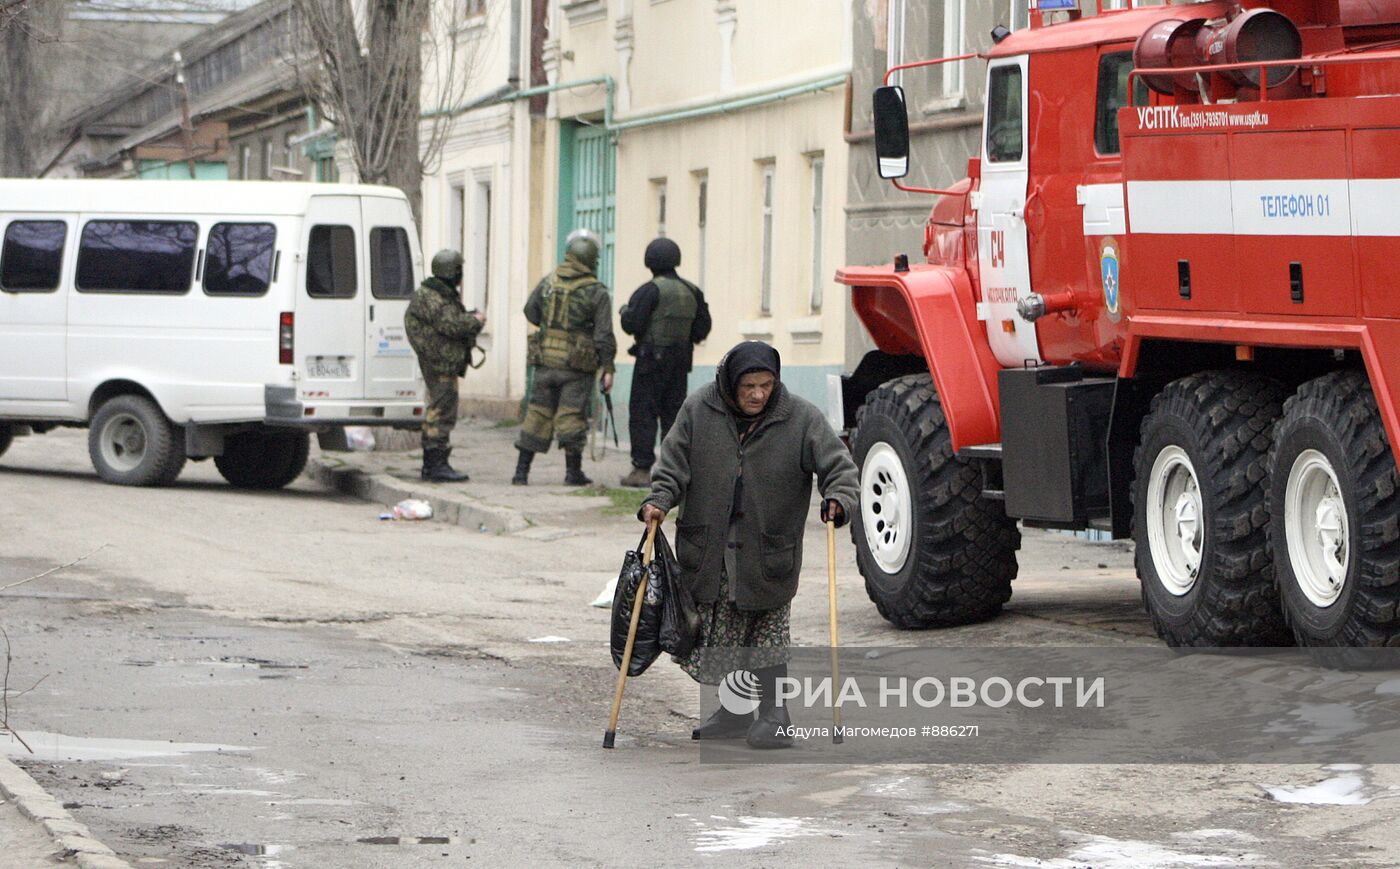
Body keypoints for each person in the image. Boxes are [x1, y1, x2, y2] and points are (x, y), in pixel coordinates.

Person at [639, 341, 858, 749]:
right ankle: (736, 711)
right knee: (724, 634)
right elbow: (671, 464)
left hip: (768, 551)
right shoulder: (699, 410)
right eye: (749, 386)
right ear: (729, 383)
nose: (759, 394)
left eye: (767, 384)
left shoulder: (801, 418)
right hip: (711, 550)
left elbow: (839, 468)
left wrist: (839, 499)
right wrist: (658, 500)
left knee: (767, 634)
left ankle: (776, 715)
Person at [513, 228, 617, 486]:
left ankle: (521, 472)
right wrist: (608, 367)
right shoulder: (596, 291)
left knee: (537, 413)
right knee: (571, 416)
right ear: (592, 259)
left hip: (545, 362)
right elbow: (603, 334)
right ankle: (573, 473)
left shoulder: (549, 281)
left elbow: (530, 310)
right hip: (576, 367)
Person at [618, 237, 712, 488]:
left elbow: (633, 324)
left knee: (643, 412)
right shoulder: (692, 290)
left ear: (649, 262)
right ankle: (673, 468)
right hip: (680, 361)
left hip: (650, 361)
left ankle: (641, 469)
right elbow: (703, 328)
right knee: (674, 414)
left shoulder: (649, 290)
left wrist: (625, 313)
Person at [404, 249, 486, 482]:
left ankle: (434, 464)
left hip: (439, 360)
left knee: (441, 408)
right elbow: (452, 325)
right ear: (452, 272)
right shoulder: (434, 297)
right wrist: (476, 321)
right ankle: (435, 464)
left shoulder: (435, 294)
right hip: (440, 362)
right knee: (442, 410)